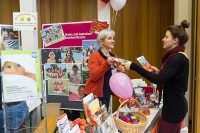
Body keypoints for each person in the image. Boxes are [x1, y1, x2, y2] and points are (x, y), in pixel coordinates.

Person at [122, 20, 190, 133]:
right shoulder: (177, 56)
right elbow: (171, 78)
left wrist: (134, 66)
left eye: (166, 36)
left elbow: (159, 80)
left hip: (174, 108)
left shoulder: (177, 58)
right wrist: (160, 72)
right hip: (175, 105)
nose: (163, 39)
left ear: (175, 40)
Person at [85, 29, 125, 110]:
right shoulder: (94, 56)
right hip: (95, 96)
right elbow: (94, 76)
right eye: (110, 38)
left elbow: (115, 76)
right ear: (102, 42)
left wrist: (120, 71)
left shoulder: (114, 56)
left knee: (103, 121)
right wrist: (107, 64)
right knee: (93, 122)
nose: (113, 41)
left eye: (113, 38)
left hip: (106, 94)